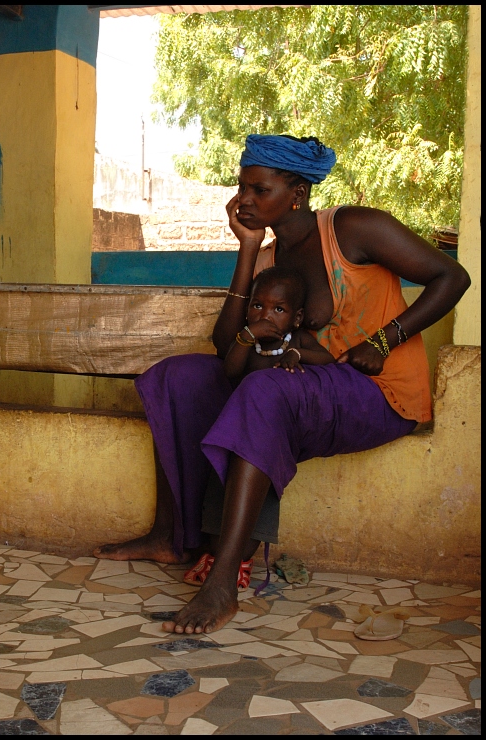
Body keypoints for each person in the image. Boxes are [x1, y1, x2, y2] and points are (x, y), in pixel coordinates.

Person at [93, 133, 470, 635]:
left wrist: (383, 341)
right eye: (240, 188)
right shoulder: (271, 257)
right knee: (176, 377)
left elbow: (452, 277)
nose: (243, 200)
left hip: (376, 393)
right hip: (303, 384)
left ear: (296, 193)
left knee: (263, 390)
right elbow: (226, 346)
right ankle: (170, 535)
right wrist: (248, 250)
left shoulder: (353, 228)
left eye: (257, 190)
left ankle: (223, 580)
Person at [224, 265, 335, 381]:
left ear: (297, 318)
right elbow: (230, 372)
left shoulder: (298, 339)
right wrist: (247, 335)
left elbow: (328, 359)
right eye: (258, 306)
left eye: (279, 309)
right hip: (251, 397)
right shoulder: (246, 340)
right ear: (247, 309)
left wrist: (297, 354)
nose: (265, 316)